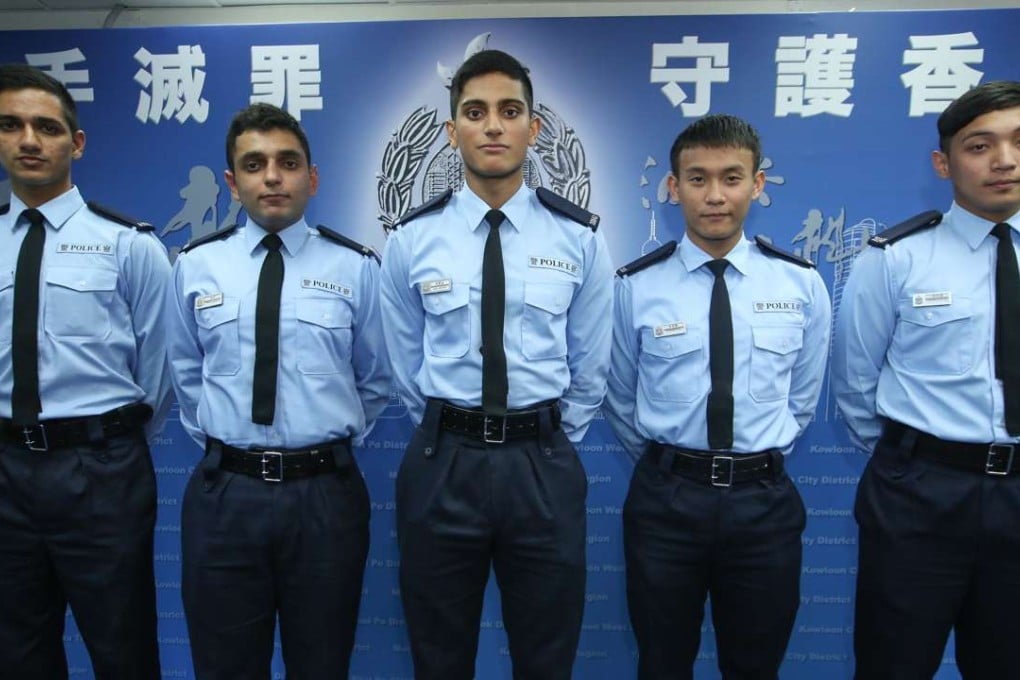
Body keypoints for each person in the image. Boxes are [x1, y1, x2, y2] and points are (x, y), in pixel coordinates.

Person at [379, 49, 613, 680]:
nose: (492, 126)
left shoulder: (580, 238)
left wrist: (544, 439)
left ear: (534, 129)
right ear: (451, 131)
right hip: (442, 463)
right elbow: (404, 365)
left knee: (546, 655)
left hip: (541, 465)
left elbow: (591, 366)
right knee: (439, 654)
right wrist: (448, 428)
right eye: (474, 112)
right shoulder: (411, 239)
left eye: (509, 111)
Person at [165, 102, 389, 679]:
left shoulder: (356, 266)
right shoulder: (195, 265)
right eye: (255, 163)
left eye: (288, 163)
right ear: (231, 182)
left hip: (324, 498)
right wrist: (231, 444)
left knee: (321, 663)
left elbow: (375, 377)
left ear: (311, 178)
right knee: (225, 666)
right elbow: (187, 375)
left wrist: (320, 441)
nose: (272, 177)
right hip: (225, 496)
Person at [605, 114, 831, 679]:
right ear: (673, 187)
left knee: (756, 666)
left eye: (731, 178)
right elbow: (618, 395)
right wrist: (675, 463)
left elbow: (801, 400)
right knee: (661, 662)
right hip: (666, 503)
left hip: (763, 502)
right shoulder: (635, 286)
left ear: (757, 184)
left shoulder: (800, 284)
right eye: (697, 178)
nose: (715, 196)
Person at [832, 80, 1020, 679]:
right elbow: (856, 384)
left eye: (1019, 142)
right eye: (979, 145)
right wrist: (915, 457)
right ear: (944, 163)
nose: (1005, 160)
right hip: (919, 496)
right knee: (894, 663)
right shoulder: (895, 257)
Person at [0, 63, 172, 679]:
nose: (28, 140)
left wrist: (101, 441)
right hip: (4, 468)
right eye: (11, 125)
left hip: (101, 472)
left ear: (76, 143)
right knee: (16, 651)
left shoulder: (130, 245)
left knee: (122, 648)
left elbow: (158, 372)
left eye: (46, 127)